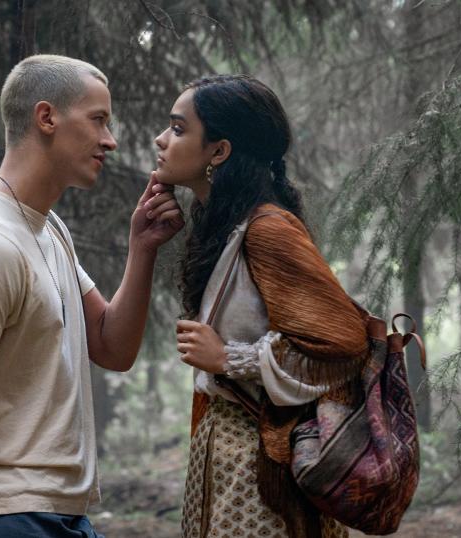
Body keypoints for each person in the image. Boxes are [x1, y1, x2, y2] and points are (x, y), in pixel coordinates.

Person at [0, 54, 184, 538]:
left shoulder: (45, 227)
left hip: (57, 517)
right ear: (46, 118)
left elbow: (110, 345)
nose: (111, 140)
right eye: (98, 120)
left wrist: (141, 248)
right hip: (2, 517)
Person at [151, 75, 370, 537]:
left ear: (219, 151)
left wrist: (228, 358)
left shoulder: (267, 230)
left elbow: (345, 344)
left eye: (177, 128)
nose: (161, 139)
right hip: (227, 460)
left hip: (262, 473)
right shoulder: (226, 227)